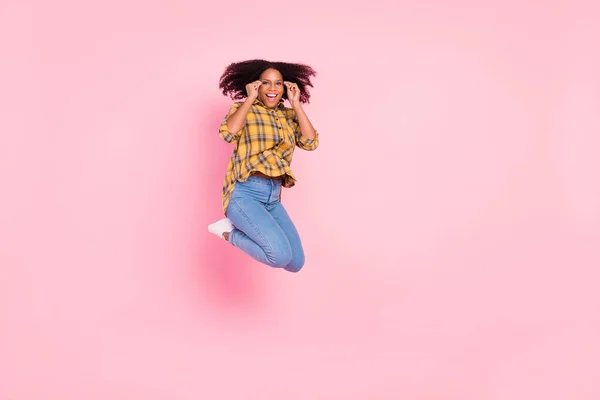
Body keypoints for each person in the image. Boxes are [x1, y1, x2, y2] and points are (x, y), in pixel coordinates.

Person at [207, 59, 320, 273]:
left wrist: (296, 105)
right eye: (266, 83)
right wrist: (249, 99)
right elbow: (228, 133)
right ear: (255, 85)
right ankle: (228, 232)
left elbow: (310, 142)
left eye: (278, 83)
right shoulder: (243, 108)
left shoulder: (288, 115)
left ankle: (234, 230)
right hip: (245, 192)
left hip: (273, 197)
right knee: (278, 256)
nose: (272, 88)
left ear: (286, 87)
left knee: (295, 263)